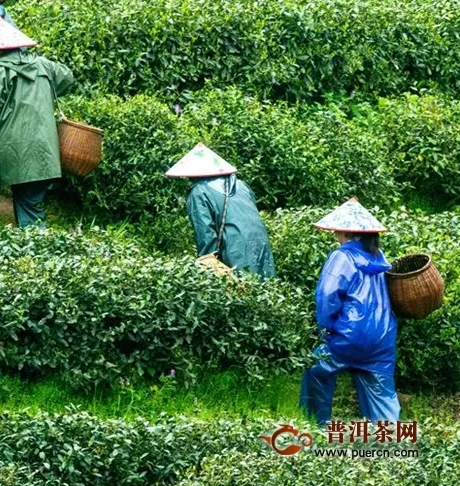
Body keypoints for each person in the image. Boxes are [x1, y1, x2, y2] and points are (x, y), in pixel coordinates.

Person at [300, 198, 400, 425]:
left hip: (350, 334)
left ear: (347, 233)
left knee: (316, 369)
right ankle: (393, 446)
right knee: (381, 393)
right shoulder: (378, 257)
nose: (336, 234)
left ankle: (314, 427)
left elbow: (327, 296)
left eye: (338, 230)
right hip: (382, 337)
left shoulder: (342, 256)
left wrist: (326, 329)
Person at [0, 17, 74, 228]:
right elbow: (67, 78)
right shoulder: (43, 65)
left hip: (12, 148)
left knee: (19, 204)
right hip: (45, 147)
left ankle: (37, 252)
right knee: (30, 200)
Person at [165, 143, 275, 278]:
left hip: (235, 248)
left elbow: (205, 234)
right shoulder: (242, 185)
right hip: (261, 243)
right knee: (265, 290)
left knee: (239, 291)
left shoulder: (199, 191)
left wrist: (208, 262)